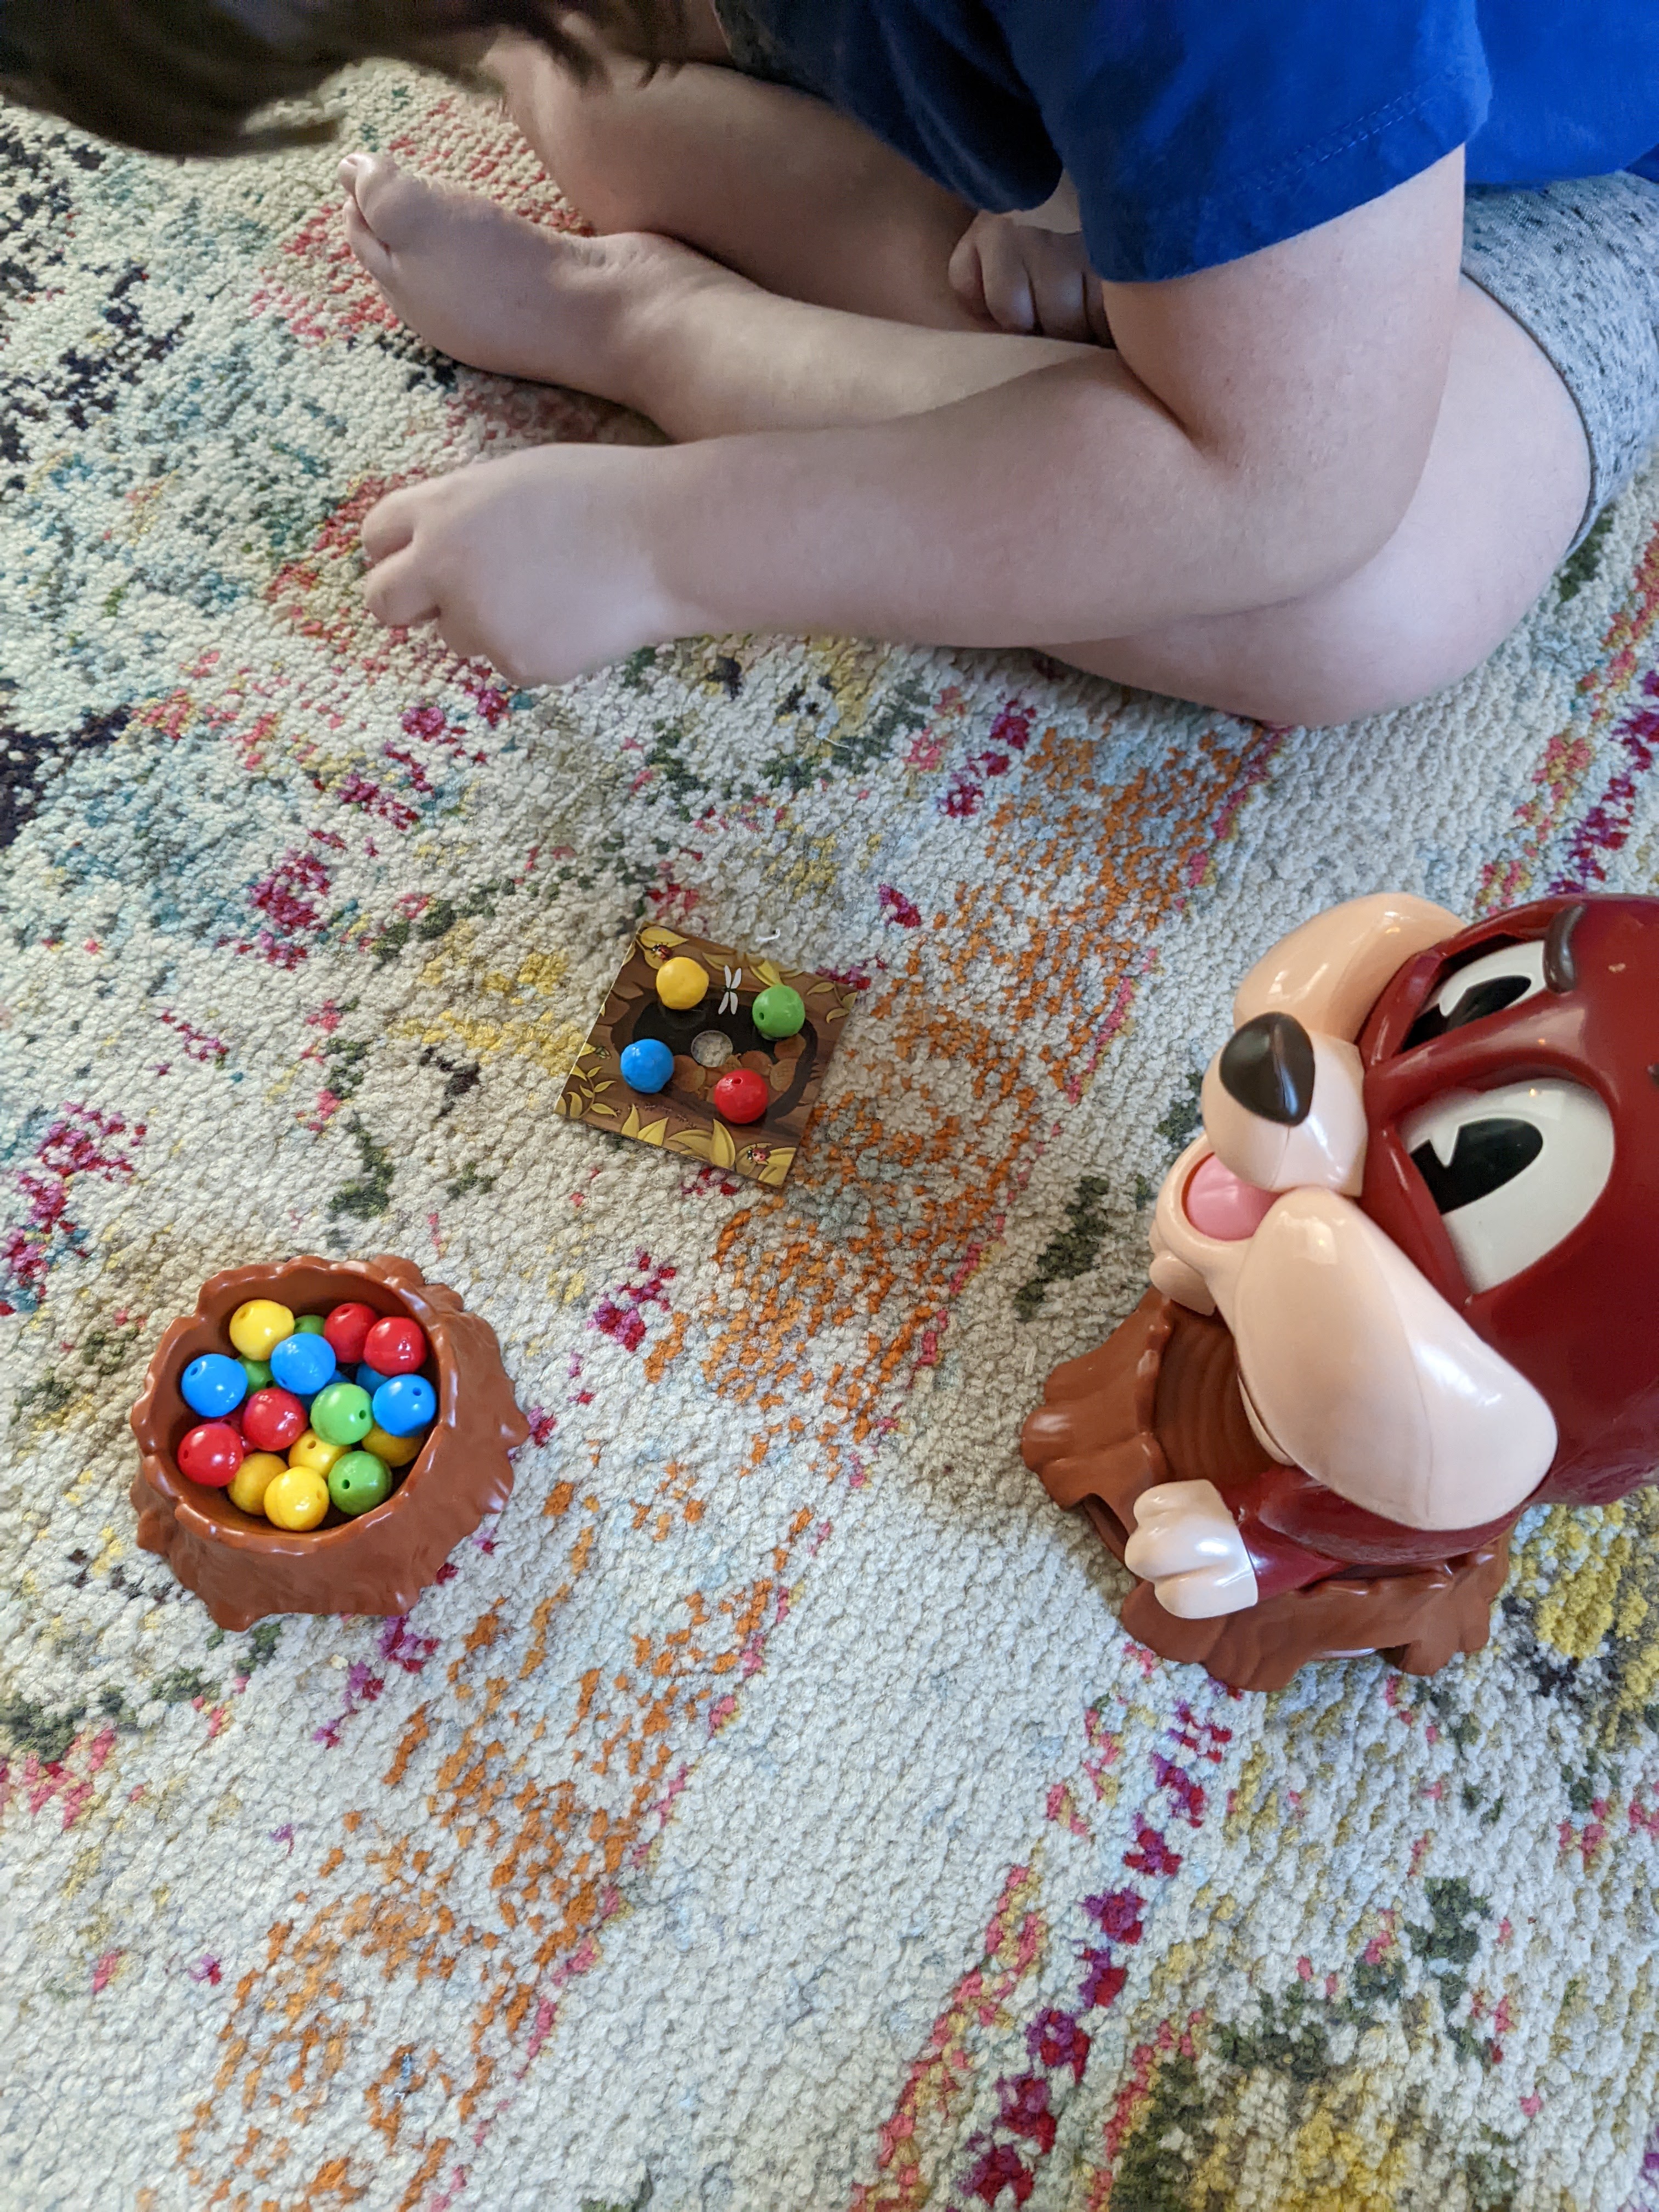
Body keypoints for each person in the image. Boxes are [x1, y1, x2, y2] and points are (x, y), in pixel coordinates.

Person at [5, 1, 1658, 723]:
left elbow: (1282, 487)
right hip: (1179, 103)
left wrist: (669, 541)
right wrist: (1070, 173)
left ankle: (649, 319)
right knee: (609, 105)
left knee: (1352, 596)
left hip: (1573, 154)